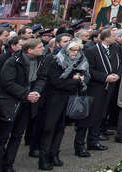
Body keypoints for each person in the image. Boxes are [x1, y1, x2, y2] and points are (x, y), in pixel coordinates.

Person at [0, 37, 45, 172]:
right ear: (30, 50)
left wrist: (36, 92)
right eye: (40, 47)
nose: (43, 48)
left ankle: (8, 164)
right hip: (11, 103)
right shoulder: (13, 62)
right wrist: (25, 94)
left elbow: (41, 78)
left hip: (27, 103)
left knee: (17, 136)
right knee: (3, 137)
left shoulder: (40, 60)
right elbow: (7, 82)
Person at [40, 40, 88, 168]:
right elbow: (57, 82)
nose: (75, 53)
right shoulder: (56, 61)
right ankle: (43, 158)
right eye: (72, 51)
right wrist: (75, 82)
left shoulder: (78, 63)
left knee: (61, 128)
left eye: (77, 51)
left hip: (68, 98)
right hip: (53, 99)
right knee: (49, 128)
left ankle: (54, 154)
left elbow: (82, 77)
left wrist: (77, 81)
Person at [76, 28, 121, 154]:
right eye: (113, 35)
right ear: (105, 37)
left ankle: (93, 140)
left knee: (100, 115)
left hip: (109, 87)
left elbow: (119, 64)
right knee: (87, 117)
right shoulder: (92, 51)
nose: (115, 37)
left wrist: (117, 74)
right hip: (95, 88)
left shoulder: (115, 49)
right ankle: (79, 144)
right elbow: (89, 69)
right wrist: (105, 77)